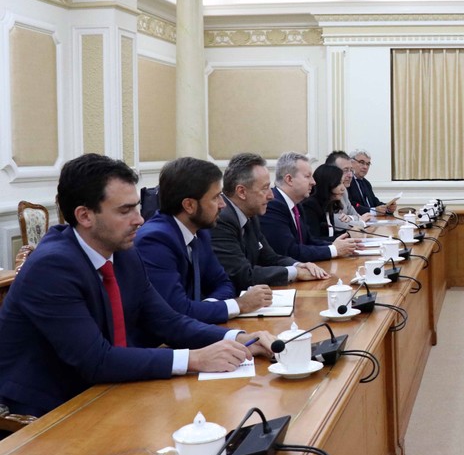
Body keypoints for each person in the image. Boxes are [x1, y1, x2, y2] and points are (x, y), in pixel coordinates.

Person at [0, 154, 274, 418]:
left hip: (112, 389)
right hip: (50, 409)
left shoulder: (124, 254)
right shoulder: (52, 267)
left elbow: (169, 321)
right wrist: (195, 359)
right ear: (85, 216)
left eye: (136, 207)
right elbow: (97, 360)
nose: (139, 219)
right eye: (125, 210)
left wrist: (239, 339)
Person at [135, 157, 272, 326]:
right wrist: (239, 304)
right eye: (215, 198)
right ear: (189, 205)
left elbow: (223, 283)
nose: (222, 205)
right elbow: (178, 311)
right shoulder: (155, 241)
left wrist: (205, 308)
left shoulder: (200, 232)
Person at [210, 152, 330, 291]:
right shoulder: (222, 220)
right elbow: (242, 274)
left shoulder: (251, 215)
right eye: (265, 188)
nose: (271, 195)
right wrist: (295, 273)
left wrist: (298, 265)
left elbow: (270, 257)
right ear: (242, 192)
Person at [260, 152, 359, 262]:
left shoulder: (296, 205)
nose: (313, 182)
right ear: (289, 180)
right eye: (307, 176)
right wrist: (333, 249)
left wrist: (344, 245)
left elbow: (309, 241)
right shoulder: (273, 206)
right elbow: (289, 251)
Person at [327, 150, 373, 231]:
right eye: (345, 170)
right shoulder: (325, 192)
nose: (350, 175)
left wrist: (350, 217)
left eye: (351, 170)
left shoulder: (344, 190)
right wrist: (361, 222)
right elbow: (337, 223)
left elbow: (356, 215)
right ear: (332, 171)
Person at [300, 164, 346, 242]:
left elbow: (330, 235)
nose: (343, 188)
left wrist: (350, 233)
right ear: (326, 183)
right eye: (339, 183)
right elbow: (314, 240)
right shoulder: (310, 206)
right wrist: (348, 236)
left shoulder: (328, 204)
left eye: (343, 183)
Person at [347, 149, 397, 215]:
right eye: (361, 162)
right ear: (351, 162)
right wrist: (373, 211)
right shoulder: (347, 182)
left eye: (368, 164)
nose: (365, 167)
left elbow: (375, 202)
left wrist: (387, 207)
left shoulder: (366, 183)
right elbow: (351, 205)